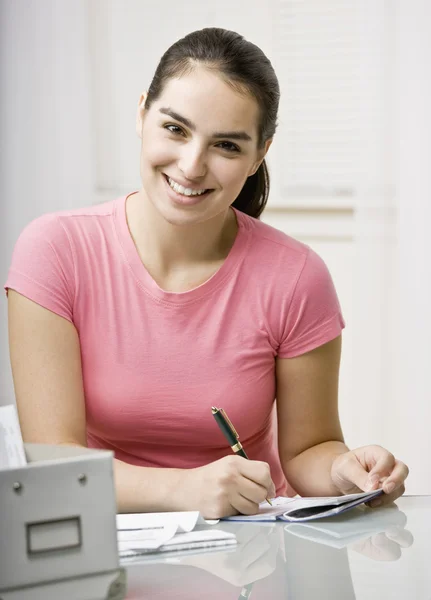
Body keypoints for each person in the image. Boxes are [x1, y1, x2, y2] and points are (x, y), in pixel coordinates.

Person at [5, 27, 408, 518]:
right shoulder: (55, 251)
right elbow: (54, 465)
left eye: (227, 146)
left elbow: (307, 452)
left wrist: (345, 469)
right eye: (175, 128)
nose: (192, 166)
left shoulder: (298, 276)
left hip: (252, 550)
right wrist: (184, 490)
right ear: (141, 114)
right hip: (102, 543)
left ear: (260, 154)